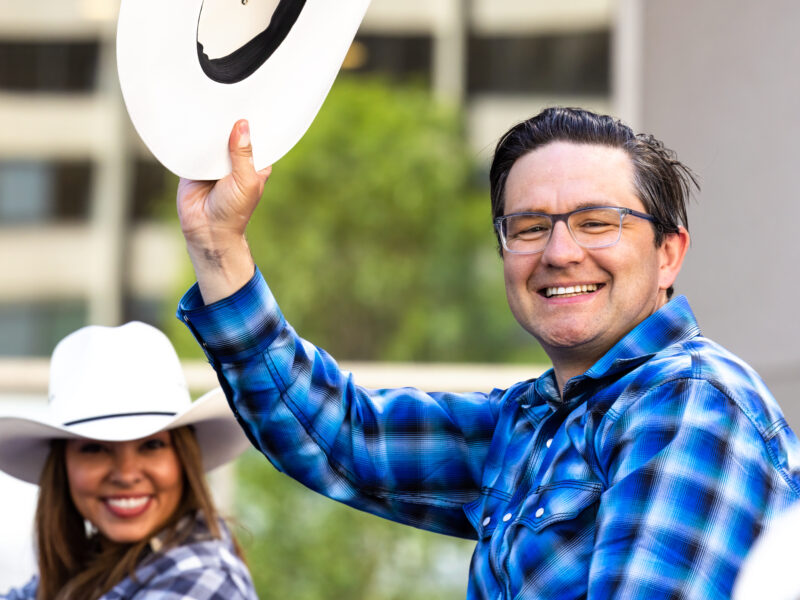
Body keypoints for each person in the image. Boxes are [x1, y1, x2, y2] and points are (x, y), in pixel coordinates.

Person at [175, 108, 800, 599]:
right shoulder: (532, 420)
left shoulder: (691, 403)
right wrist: (217, 247)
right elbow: (344, 436)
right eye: (529, 227)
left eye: (596, 222)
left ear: (669, 253)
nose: (559, 252)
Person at [0, 322, 257, 600]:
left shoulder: (204, 579)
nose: (125, 474)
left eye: (151, 445)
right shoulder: (90, 566)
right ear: (62, 465)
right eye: (95, 449)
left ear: (184, 459)